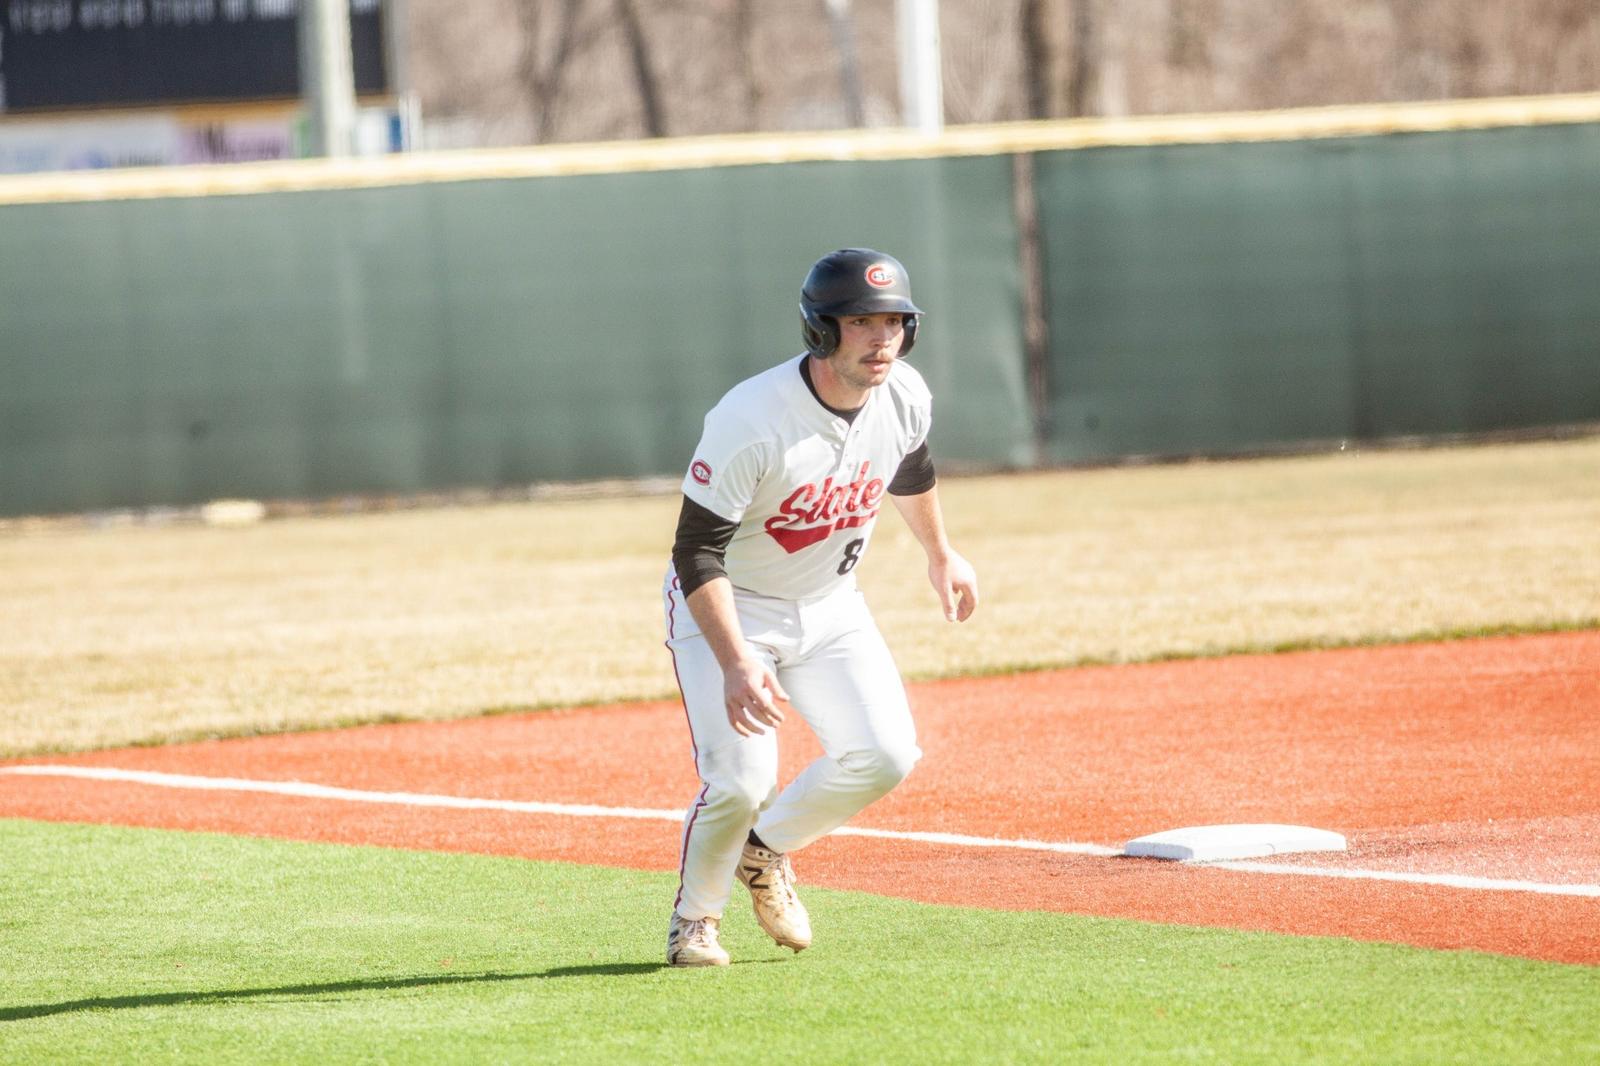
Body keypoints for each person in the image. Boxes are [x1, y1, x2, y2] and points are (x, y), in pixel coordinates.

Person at [661, 247, 979, 967]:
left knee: (886, 755)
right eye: (860, 321)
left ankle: (763, 851)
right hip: (731, 607)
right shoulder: (752, 417)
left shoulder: (903, 394)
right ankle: (695, 921)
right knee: (742, 778)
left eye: (895, 321)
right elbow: (696, 552)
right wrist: (738, 662)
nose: (881, 337)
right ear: (820, 330)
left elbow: (910, 465)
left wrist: (940, 552)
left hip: (832, 605)